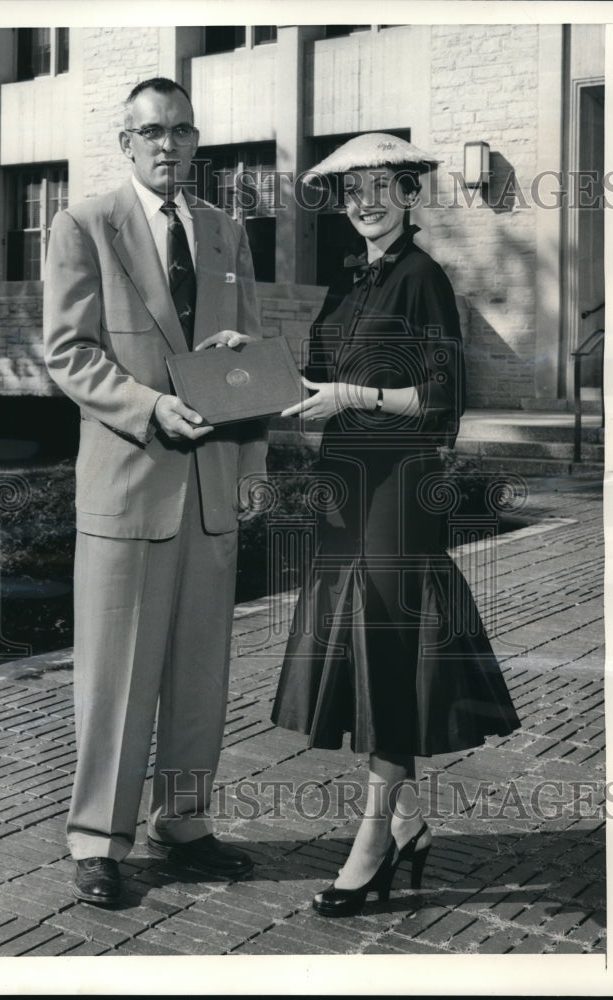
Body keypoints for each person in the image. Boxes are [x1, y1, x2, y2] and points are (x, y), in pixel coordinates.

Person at [272, 133, 520, 917]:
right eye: (351, 192)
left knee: (387, 651)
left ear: (408, 193)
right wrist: (246, 354)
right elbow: (316, 375)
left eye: (380, 186)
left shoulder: (421, 279)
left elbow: (441, 401)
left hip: (396, 495)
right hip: (348, 489)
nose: (364, 202)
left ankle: (372, 843)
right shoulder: (352, 284)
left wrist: (351, 399)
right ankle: (407, 823)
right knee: (368, 654)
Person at [43, 77, 266, 907]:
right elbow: (68, 352)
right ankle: (98, 838)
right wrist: (148, 407)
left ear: (195, 139)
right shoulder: (84, 225)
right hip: (128, 485)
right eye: (149, 132)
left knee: (200, 673)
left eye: (178, 130)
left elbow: (251, 356)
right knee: (115, 679)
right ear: (125, 141)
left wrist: (249, 474)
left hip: (210, 491)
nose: (165, 144)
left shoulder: (224, 232)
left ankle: (185, 823)